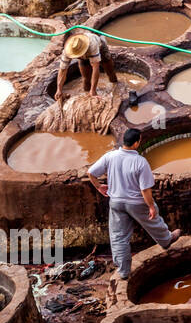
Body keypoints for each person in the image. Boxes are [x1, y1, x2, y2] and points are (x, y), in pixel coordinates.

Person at [87, 128, 179, 281]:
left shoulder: (110, 156)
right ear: (136, 143)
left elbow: (91, 172)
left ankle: (123, 271)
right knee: (153, 221)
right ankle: (166, 240)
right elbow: (145, 189)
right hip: (136, 202)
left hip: (116, 202)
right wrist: (150, 206)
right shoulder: (140, 162)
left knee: (118, 237)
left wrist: (98, 186)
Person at [55, 31, 118, 102]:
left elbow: (95, 67)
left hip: (100, 47)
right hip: (84, 54)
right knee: (86, 79)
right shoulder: (67, 51)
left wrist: (93, 90)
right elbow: (63, 70)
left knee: (110, 71)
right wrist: (59, 89)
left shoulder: (92, 44)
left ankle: (116, 87)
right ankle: (88, 93)